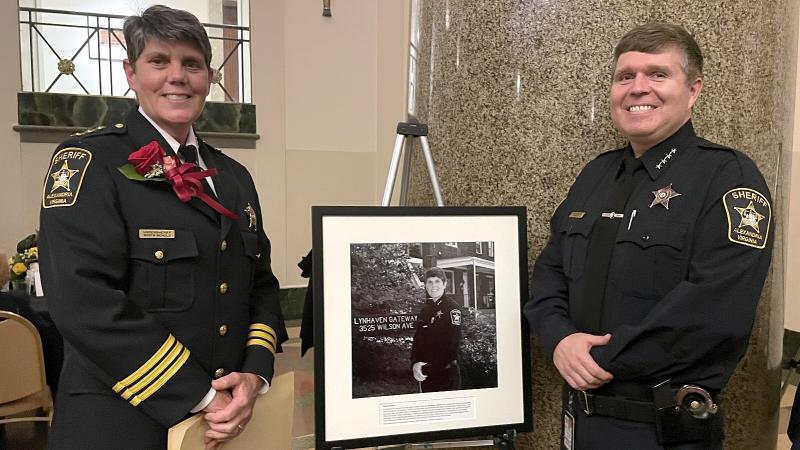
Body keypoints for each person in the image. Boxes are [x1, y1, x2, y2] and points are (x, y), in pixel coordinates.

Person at [38, 5, 287, 450]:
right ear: (131, 73)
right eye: (159, 61)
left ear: (208, 78)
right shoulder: (89, 163)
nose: (178, 76)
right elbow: (83, 301)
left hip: (225, 425)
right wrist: (201, 395)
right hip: (120, 424)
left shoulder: (232, 177)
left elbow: (261, 287)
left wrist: (253, 375)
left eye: (191, 64)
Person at [525, 23, 772, 449]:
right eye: (626, 76)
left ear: (693, 90)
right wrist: (560, 338)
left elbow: (715, 311)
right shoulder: (595, 174)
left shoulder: (727, 176)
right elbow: (549, 272)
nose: (639, 88)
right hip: (580, 423)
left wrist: (594, 360)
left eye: (658, 74)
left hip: (661, 429)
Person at [411, 267, 462, 392]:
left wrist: (428, 368)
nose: (433, 285)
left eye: (437, 281)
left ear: (444, 284)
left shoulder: (452, 308)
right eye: (430, 282)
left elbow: (452, 345)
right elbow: (418, 340)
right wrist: (415, 364)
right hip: (426, 375)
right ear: (426, 285)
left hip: (446, 374)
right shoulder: (426, 310)